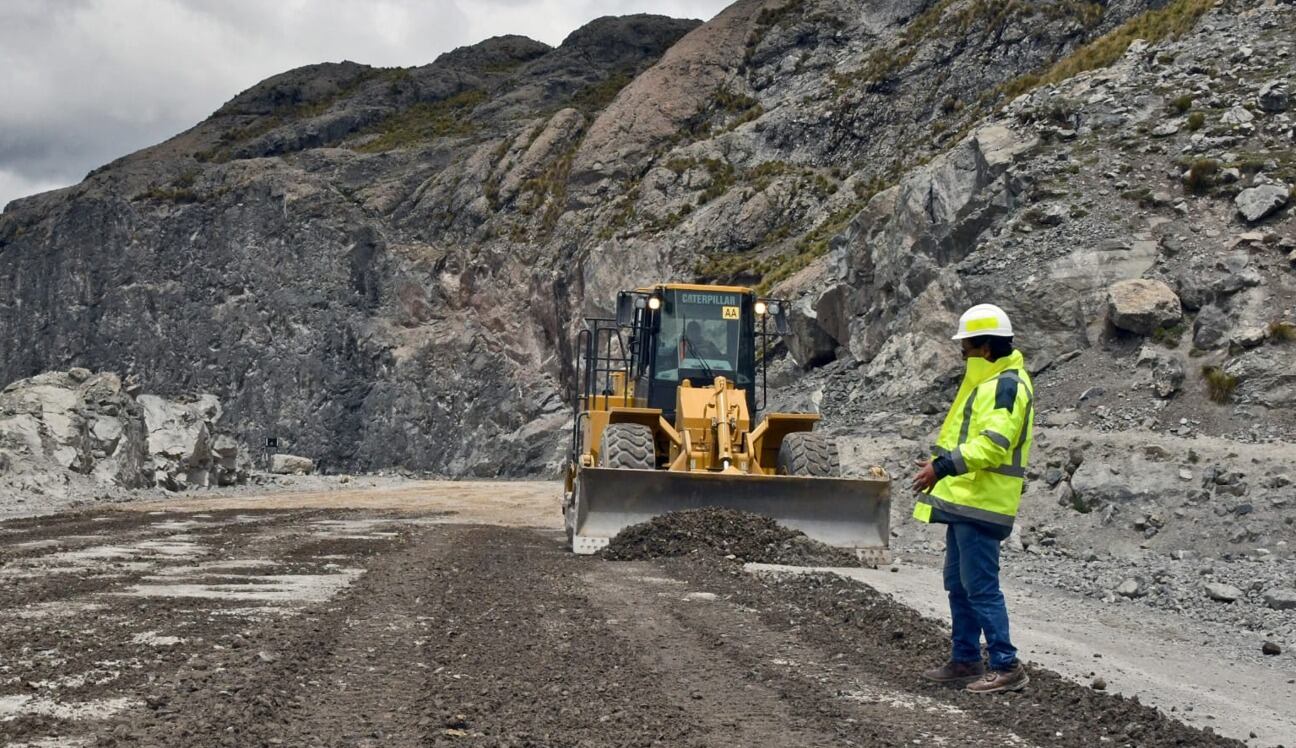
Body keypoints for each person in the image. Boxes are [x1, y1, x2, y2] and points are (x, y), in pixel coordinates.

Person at [911, 303, 1035, 694]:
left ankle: (1006, 665)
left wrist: (943, 467)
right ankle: (965, 659)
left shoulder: (1006, 385)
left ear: (984, 346)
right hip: (966, 500)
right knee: (958, 583)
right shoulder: (987, 382)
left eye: (965, 345)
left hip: (984, 502)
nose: (961, 351)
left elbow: (994, 444)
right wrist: (940, 467)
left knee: (980, 585)